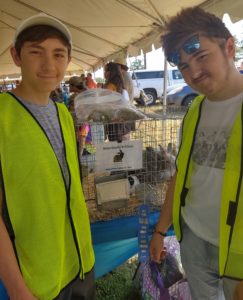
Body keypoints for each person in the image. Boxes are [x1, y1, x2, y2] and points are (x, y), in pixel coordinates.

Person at [149, 6, 243, 300]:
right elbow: (181, 174)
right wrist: (160, 230)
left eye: (201, 57)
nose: (194, 72)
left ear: (229, 46)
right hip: (193, 238)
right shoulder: (194, 112)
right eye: (184, 66)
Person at [0, 13, 95, 300]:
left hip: (80, 264)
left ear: (68, 59)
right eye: (36, 53)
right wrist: (18, 290)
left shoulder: (64, 115)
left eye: (58, 54)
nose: (49, 65)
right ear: (16, 55)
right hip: (36, 281)